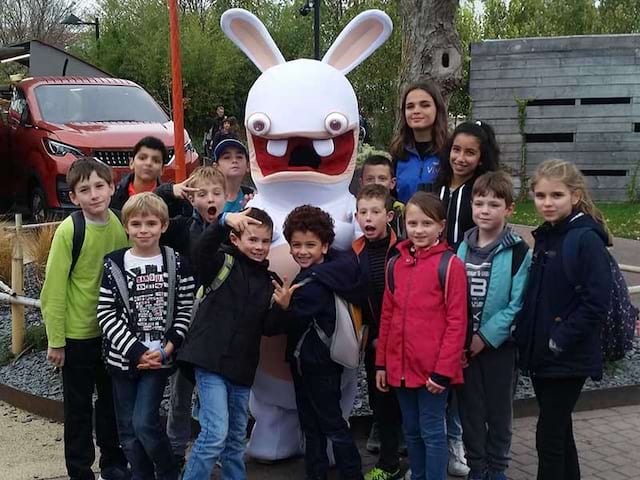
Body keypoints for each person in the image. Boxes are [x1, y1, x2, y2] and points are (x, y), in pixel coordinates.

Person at [514, 159, 612, 480]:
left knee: (549, 436)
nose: (547, 203)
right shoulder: (549, 235)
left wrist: (559, 339)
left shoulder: (585, 239)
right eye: (541, 196)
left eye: (556, 195)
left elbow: (596, 302)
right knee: (561, 429)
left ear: (575, 196)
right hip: (545, 353)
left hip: (566, 355)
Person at [178, 207, 285, 480]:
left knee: (236, 438)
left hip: (242, 369)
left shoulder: (268, 281)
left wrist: (282, 308)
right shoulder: (222, 262)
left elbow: (269, 328)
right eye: (253, 239)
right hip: (209, 360)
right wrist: (223, 221)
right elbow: (201, 250)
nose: (259, 247)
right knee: (215, 433)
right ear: (236, 239)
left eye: (265, 241)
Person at [41, 157, 129, 480]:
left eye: (99, 186)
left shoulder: (121, 225)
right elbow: (53, 289)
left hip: (111, 334)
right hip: (77, 337)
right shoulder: (70, 231)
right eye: (84, 189)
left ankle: (113, 462)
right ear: (74, 197)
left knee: (111, 403)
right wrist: (56, 339)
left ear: (111, 187)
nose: (94, 194)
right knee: (78, 409)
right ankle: (79, 470)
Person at [97, 192, 195, 480]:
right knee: (127, 430)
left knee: (144, 424)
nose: (143, 230)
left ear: (163, 226)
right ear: (126, 226)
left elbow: (185, 309)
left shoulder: (176, 262)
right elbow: (106, 312)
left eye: (151, 223)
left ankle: (167, 472)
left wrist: (166, 349)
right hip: (124, 360)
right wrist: (135, 350)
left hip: (159, 358)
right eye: (136, 223)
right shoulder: (114, 264)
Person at [376, 192, 468, 480]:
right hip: (400, 368)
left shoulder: (450, 265)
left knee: (432, 432)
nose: (418, 230)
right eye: (413, 223)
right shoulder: (395, 264)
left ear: (441, 226)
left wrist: (443, 372)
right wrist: (381, 364)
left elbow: (457, 322)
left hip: (432, 373)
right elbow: (387, 317)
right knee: (412, 431)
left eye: (426, 223)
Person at [276, 205, 367, 480]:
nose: (302, 251)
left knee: (327, 425)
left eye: (310, 245)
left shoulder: (314, 284)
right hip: (319, 362)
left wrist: (282, 306)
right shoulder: (336, 271)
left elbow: (288, 320)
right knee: (318, 425)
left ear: (325, 246)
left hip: (316, 364)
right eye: (296, 245)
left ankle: (349, 474)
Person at [455, 172, 532, 480]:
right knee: (470, 412)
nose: (485, 210)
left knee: (499, 412)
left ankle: (497, 468)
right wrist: (461, 340)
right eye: (479, 203)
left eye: (494, 204)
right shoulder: (462, 248)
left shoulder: (517, 251)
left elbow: (518, 303)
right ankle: (477, 466)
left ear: (509, 209)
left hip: (498, 349)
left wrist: (485, 337)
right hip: (464, 350)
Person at [156, 166, 229, 468]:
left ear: (226, 197)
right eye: (202, 194)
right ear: (191, 198)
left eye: (216, 193)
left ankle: (220, 451)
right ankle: (175, 451)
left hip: (219, 325)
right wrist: (167, 191)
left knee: (220, 395)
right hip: (185, 321)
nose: (210, 199)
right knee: (180, 392)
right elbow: (140, 210)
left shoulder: (234, 228)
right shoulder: (181, 227)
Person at [353, 185, 402, 480]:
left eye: (375, 212)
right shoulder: (355, 250)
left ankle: (395, 461)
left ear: (389, 215)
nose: (368, 218)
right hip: (373, 342)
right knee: (379, 399)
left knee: (402, 401)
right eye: (363, 212)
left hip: (401, 340)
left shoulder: (403, 250)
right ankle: (389, 462)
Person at [435, 121, 500, 249]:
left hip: (469, 264)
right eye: (456, 150)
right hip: (434, 264)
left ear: (481, 158)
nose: (460, 158)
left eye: (470, 152)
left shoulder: (483, 194)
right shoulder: (436, 188)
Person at [389, 80, 449, 204]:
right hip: (405, 222)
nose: (416, 111)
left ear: (437, 109)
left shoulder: (450, 151)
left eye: (425, 105)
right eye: (410, 106)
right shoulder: (398, 153)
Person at [111, 136, 167, 212]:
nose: (148, 163)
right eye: (142, 158)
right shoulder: (113, 195)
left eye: (156, 161)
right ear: (131, 163)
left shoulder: (169, 199)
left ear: (162, 169)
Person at [360, 155, 405, 238]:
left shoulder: (400, 211)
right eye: (370, 179)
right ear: (361, 183)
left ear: (392, 183)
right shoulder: (352, 209)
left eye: (382, 179)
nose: (376, 183)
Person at [213, 138, 255, 213]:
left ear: (248, 166)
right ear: (216, 167)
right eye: (227, 157)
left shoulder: (254, 198)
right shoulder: (204, 197)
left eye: (239, 157)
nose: (234, 160)